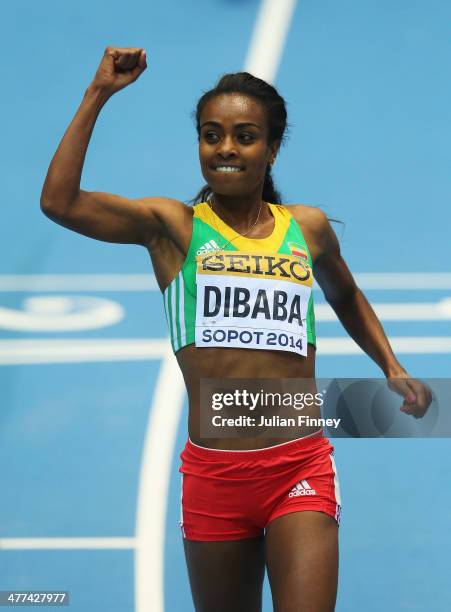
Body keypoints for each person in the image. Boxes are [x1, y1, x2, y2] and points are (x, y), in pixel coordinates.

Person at [40, 47, 432, 612]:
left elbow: (344, 291)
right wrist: (97, 93)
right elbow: (59, 202)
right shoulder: (172, 229)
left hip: (299, 464)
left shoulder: (308, 229)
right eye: (211, 134)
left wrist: (391, 367)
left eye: (245, 136)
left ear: (271, 150)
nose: (226, 148)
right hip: (214, 475)